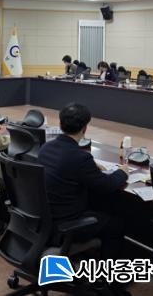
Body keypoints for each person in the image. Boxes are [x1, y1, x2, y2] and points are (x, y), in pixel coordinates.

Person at [38, 103, 128, 260]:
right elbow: (107, 186)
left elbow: (69, 166)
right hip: (66, 225)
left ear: (60, 124)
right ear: (85, 128)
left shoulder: (46, 148)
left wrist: (91, 167)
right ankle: (108, 274)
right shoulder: (80, 158)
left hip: (45, 219)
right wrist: (122, 172)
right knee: (116, 224)